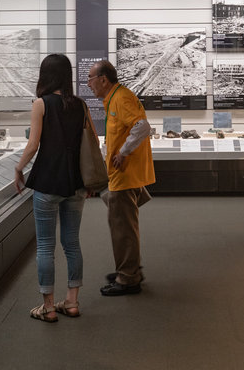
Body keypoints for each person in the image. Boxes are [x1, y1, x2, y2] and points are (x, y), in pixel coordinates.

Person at [15, 54, 89, 322]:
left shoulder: (41, 104)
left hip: (48, 182)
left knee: (45, 246)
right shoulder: (80, 105)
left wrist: (18, 167)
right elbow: (85, 143)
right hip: (76, 183)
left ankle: (47, 307)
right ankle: (71, 302)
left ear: (45, 75)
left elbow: (33, 145)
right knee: (72, 243)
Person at [86, 59, 155, 296]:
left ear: (103, 79)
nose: (88, 83)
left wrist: (124, 152)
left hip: (125, 177)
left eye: (90, 78)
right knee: (124, 226)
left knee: (122, 228)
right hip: (121, 176)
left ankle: (128, 278)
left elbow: (142, 127)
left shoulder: (121, 97)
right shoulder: (114, 98)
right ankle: (130, 269)